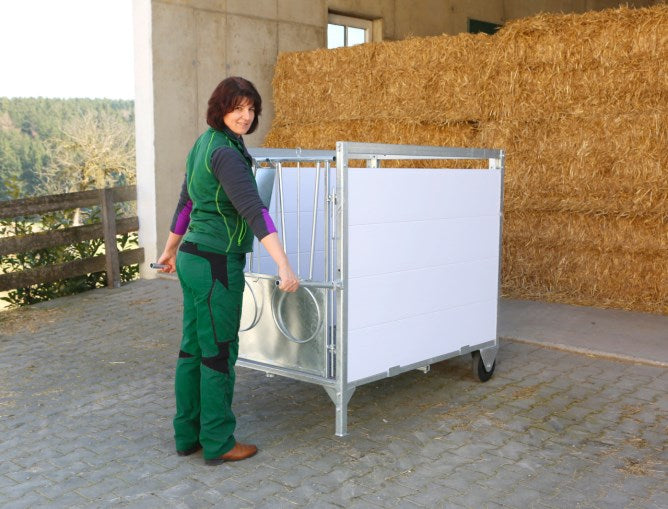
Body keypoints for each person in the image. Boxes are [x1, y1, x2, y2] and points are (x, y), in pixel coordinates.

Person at [156, 76, 299, 465]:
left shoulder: (203, 144)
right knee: (218, 351)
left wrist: (170, 251)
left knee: (193, 348)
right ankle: (218, 442)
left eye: (251, 109)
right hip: (217, 263)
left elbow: (186, 202)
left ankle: (187, 435)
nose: (245, 116)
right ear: (220, 108)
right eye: (238, 107)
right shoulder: (226, 154)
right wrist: (283, 264)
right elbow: (255, 211)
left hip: (193, 259)